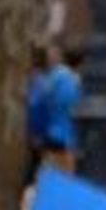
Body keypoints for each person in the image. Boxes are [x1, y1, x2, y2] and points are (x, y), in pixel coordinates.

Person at [37, 42, 85, 172]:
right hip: (66, 138)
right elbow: (74, 108)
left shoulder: (52, 77)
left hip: (48, 133)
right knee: (67, 178)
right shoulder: (73, 83)